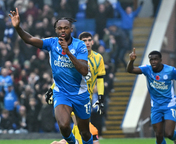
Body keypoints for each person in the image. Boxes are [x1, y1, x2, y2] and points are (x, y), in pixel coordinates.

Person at [9, 8, 93, 144]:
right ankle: (73, 143)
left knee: (85, 132)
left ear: (71, 30)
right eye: (59, 28)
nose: (63, 30)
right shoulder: (52, 43)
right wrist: (18, 27)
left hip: (80, 93)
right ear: (56, 31)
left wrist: (68, 52)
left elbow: (84, 70)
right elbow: (30, 39)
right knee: (64, 127)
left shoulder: (80, 45)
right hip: (61, 92)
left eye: (66, 28)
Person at [47, 32, 106, 144]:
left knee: (82, 130)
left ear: (92, 42)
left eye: (89, 40)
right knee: (80, 128)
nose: (87, 43)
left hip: (85, 99)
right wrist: (51, 88)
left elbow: (100, 79)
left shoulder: (98, 58)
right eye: (84, 41)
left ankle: (64, 142)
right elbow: (64, 77)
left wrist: (100, 97)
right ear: (79, 43)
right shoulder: (72, 57)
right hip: (70, 96)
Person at [126, 48, 176, 144]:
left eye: (156, 59)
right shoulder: (147, 69)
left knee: (169, 133)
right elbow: (130, 70)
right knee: (159, 135)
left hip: (169, 105)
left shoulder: (170, 70)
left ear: (160, 60)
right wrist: (131, 61)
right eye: (151, 59)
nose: (153, 61)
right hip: (155, 106)